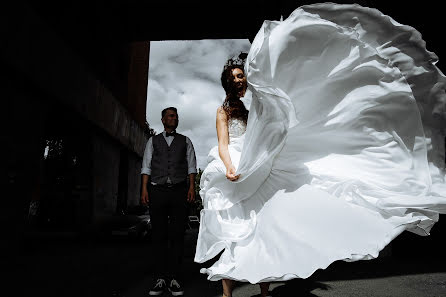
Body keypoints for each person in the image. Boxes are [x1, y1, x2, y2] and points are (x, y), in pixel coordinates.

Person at [194, 3, 446, 297]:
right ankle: (226, 292)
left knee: (258, 224)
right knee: (229, 225)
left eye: (241, 76)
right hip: (233, 165)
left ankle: (263, 288)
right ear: (227, 82)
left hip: (256, 160)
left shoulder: (257, 104)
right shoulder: (223, 110)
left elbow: (266, 129)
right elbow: (223, 143)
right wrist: (228, 168)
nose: (239, 80)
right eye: (234, 77)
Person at [141, 107, 197, 296]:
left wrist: (191, 188)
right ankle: (159, 278)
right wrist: (144, 190)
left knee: (177, 235)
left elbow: (191, 166)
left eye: (176, 116)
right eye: (171, 115)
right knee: (158, 235)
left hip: (180, 191)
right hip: (157, 190)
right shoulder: (153, 141)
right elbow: (146, 166)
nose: (175, 118)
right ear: (163, 119)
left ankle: (174, 278)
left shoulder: (185, 141)